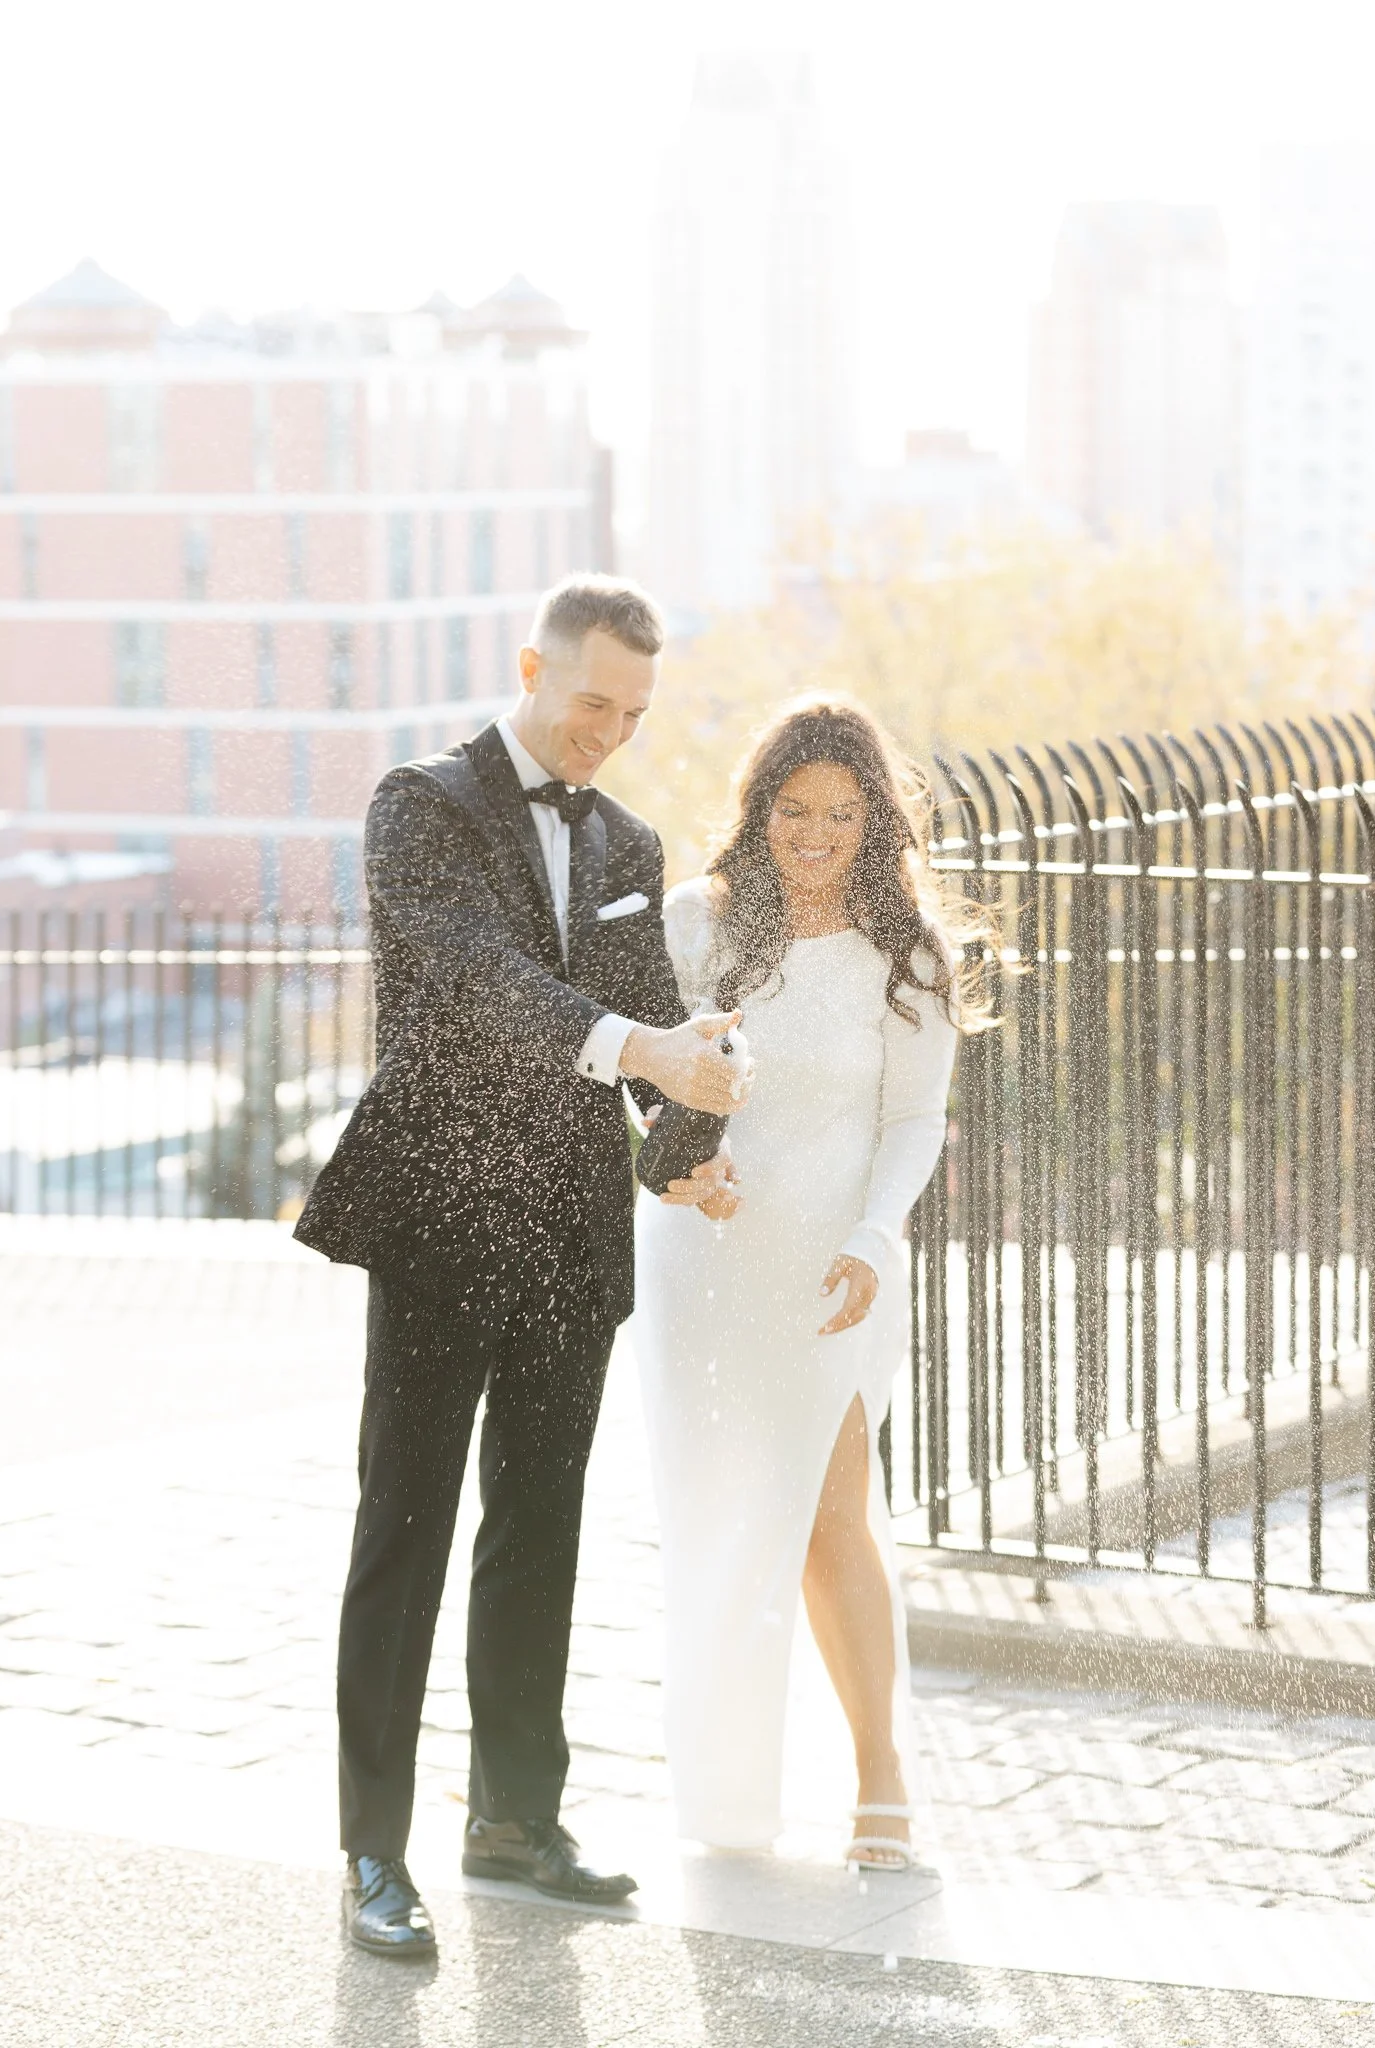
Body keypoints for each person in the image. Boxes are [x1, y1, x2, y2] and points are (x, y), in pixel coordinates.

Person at [294, 575, 749, 1958]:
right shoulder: (419, 804)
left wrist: (690, 1146)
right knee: (405, 1528)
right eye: (591, 700)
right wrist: (641, 1053)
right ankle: (374, 1850)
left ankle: (513, 1821)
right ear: (531, 667)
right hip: (437, 1224)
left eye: (633, 711)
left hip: (569, 1233)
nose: (607, 731)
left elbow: (656, 1032)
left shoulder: (626, 839)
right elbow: (466, 979)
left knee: (537, 1532)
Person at [634, 699, 990, 1868]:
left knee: (832, 1515)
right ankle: (729, 1795)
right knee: (722, 1517)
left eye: (841, 811)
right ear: (758, 808)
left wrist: (877, 1234)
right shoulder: (697, 922)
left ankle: (880, 1776)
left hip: (838, 1263)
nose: (815, 832)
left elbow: (913, 1118)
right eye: (793, 809)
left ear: (875, 818)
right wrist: (689, 1161)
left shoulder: (914, 958)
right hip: (705, 1258)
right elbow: (651, 1078)